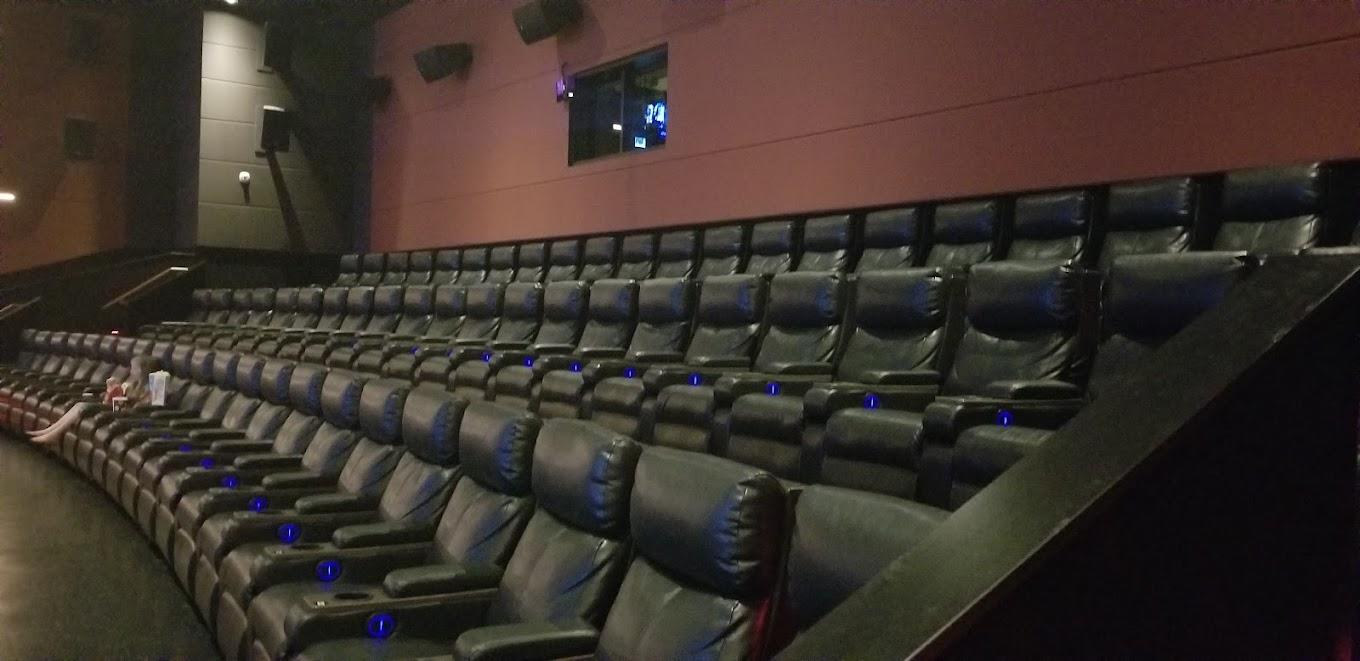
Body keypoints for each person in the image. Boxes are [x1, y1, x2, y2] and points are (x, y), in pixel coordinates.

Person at [26, 356, 156, 445]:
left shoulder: (151, 387)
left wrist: (127, 398)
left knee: (83, 407)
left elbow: (144, 405)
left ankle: (52, 435)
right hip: (115, 408)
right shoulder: (133, 384)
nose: (131, 371)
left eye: (134, 368)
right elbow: (116, 396)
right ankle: (49, 431)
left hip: (126, 415)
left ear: (142, 370)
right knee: (79, 404)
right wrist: (112, 387)